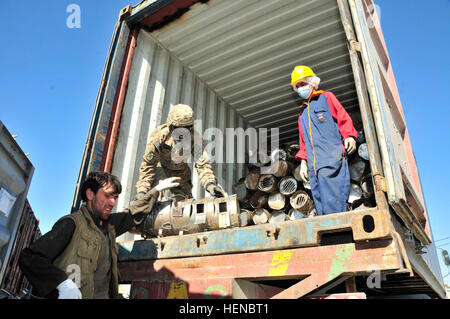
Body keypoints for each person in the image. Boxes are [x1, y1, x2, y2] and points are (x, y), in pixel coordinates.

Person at [18, 171, 180, 299]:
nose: (112, 202)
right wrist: (62, 283)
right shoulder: (71, 224)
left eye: (115, 197)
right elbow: (30, 258)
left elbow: (131, 215)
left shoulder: (108, 225)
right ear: (90, 194)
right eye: (107, 195)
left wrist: (155, 191)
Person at [291, 65, 357, 216]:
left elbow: (342, 116)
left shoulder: (327, 98)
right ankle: (330, 236)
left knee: (334, 202)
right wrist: (303, 162)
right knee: (320, 204)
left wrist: (349, 136)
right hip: (314, 167)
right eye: (298, 86)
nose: (301, 88)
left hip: (330, 159)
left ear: (312, 83)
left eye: (303, 84)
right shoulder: (302, 114)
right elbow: (303, 141)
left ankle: (340, 234)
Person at [136, 103, 225, 201]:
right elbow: (148, 166)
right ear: (170, 126)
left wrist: (210, 185)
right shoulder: (159, 137)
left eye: (186, 130)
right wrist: (142, 191)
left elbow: (203, 165)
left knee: (185, 206)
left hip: (181, 175)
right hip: (160, 171)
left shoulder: (194, 139)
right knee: (154, 204)